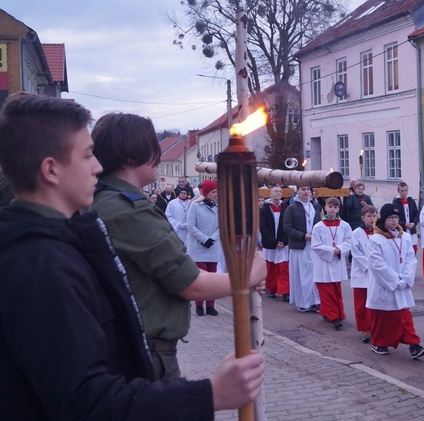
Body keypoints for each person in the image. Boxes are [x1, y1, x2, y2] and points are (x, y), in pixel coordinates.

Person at [0, 92, 264, 418]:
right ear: (51, 170)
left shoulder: (61, 240)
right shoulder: (43, 265)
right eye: (86, 156)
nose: (98, 167)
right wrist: (209, 394)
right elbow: (87, 401)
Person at [90, 112, 265, 379]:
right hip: (142, 355)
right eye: (151, 147)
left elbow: (179, 273)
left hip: (122, 347)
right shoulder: (129, 210)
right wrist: (250, 275)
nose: (158, 156)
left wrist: (236, 277)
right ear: (129, 156)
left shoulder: (103, 199)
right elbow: (191, 284)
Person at [366, 203, 424, 360]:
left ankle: (414, 345)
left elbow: (410, 259)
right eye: (390, 218)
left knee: (403, 315)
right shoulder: (375, 240)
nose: (394, 221)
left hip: (402, 284)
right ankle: (379, 342)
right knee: (383, 317)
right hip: (384, 285)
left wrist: (405, 278)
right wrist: (394, 280)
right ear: (384, 219)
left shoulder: (405, 237)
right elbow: (377, 265)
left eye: (396, 218)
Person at [312, 197, 352, 330]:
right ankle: (335, 317)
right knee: (326, 290)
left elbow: (349, 241)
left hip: (337, 261)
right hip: (324, 263)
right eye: (330, 207)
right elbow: (316, 245)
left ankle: (329, 312)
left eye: (335, 207)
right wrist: (331, 250)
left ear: (338, 209)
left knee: (336, 290)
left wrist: (340, 249)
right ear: (325, 208)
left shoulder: (344, 225)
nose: (332, 209)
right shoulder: (318, 226)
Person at [283, 185, 322, 313]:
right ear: (297, 191)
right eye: (303, 189)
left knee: (314, 274)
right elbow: (287, 227)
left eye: (308, 190)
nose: (306, 192)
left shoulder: (315, 206)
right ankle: (302, 302)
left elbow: (319, 224)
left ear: (311, 192)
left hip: (313, 246)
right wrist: (303, 236)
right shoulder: (292, 208)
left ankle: (315, 301)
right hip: (300, 246)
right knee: (302, 275)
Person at [186, 180, 221, 317]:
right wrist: (204, 239)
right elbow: (191, 226)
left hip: (213, 246)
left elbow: (222, 225)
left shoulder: (218, 207)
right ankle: (199, 305)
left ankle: (211, 305)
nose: (215, 195)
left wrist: (212, 238)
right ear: (205, 193)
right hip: (198, 247)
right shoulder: (195, 206)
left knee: (212, 279)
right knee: (201, 278)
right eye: (213, 192)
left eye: (217, 192)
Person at [351, 204, 377, 342]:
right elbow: (356, 253)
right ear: (363, 218)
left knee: (373, 302)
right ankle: (365, 329)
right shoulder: (356, 233)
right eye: (369, 216)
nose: (372, 219)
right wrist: (370, 266)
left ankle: (374, 327)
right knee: (361, 303)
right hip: (362, 273)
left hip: (376, 274)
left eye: (374, 216)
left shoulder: (379, 233)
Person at [259, 184, 290, 301]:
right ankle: (271, 288)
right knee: (271, 267)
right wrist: (274, 242)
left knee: (283, 267)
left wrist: (283, 241)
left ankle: (285, 291)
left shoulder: (286, 207)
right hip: (270, 243)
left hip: (283, 243)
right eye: (276, 191)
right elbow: (263, 227)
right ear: (270, 194)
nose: (278, 193)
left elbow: (287, 225)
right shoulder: (264, 209)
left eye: (280, 191)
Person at [392, 181, 419, 253]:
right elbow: (395, 217)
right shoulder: (395, 203)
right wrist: (404, 224)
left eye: (406, 190)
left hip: (412, 229)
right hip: (402, 230)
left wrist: (414, 223)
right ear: (398, 191)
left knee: (414, 249)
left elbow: (417, 214)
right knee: (403, 249)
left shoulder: (411, 201)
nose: (404, 192)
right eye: (402, 191)